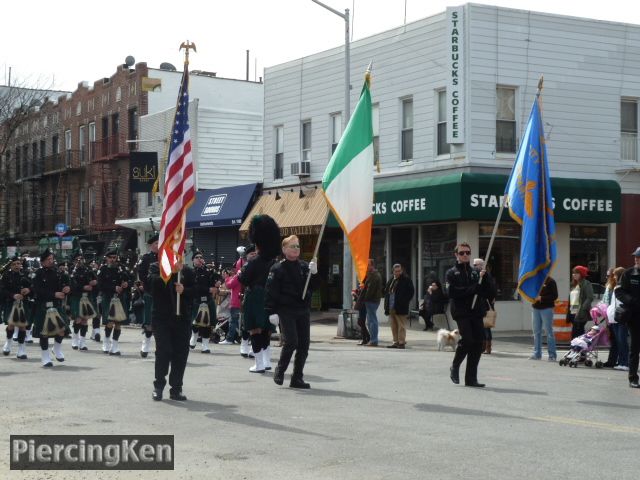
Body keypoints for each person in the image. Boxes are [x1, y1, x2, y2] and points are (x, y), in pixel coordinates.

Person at [266, 234, 319, 388]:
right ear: (284, 249)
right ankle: (280, 370)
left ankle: (297, 377)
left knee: (304, 345)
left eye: (297, 246)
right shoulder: (277, 268)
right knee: (291, 342)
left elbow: (314, 286)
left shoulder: (304, 266)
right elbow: (271, 291)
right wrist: (271, 311)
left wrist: (314, 273)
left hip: (302, 309)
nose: (296, 249)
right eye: (292, 246)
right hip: (286, 309)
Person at [446, 242, 496, 387]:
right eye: (462, 253)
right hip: (461, 311)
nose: (465, 255)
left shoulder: (476, 272)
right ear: (456, 255)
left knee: (478, 343)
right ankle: (455, 366)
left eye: (467, 252)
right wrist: (473, 288)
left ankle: (471, 378)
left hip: (476, 311)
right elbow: (452, 292)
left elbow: (488, 292)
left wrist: (486, 278)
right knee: (467, 339)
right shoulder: (451, 272)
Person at [238, 215, 281, 374]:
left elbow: (243, 278)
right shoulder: (276, 262)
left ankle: (259, 364)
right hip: (272, 297)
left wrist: (241, 271)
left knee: (255, 329)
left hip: (255, 296)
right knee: (267, 330)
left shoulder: (254, 262)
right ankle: (267, 361)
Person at [150, 259, 195, 401]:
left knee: (180, 354)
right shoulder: (156, 267)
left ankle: (176, 389)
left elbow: (196, 290)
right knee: (164, 351)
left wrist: (184, 290)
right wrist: (169, 272)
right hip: (162, 318)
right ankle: (158, 386)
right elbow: (151, 286)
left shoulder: (187, 271)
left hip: (182, 318)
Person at [32, 249, 71, 367]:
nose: (51, 261)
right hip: (43, 306)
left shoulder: (58, 273)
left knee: (62, 330)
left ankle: (57, 349)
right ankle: (45, 357)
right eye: (48, 259)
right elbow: (37, 290)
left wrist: (67, 289)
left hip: (56, 305)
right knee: (44, 333)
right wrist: (53, 294)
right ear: (42, 262)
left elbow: (66, 286)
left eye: (52, 259)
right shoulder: (37, 274)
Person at [615, 247, 640, 388]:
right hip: (634, 316)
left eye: (639, 257)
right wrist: (631, 300)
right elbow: (619, 291)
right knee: (634, 348)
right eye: (635, 256)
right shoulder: (628, 274)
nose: (636, 259)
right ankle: (633, 378)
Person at [97, 249, 129, 355]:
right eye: (110, 257)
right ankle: (106, 342)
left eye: (114, 257)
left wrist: (126, 285)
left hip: (120, 298)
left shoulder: (121, 268)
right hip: (108, 298)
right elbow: (100, 285)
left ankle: (115, 346)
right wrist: (113, 288)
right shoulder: (103, 269)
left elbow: (129, 280)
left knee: (118, 323)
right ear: (106, 258)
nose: (112, 259)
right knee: (110, 322)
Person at [1, 255, 32, 359]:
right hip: (11, 303)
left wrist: (29, 290)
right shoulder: (6, 275)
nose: (16, 266)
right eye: (14, 264)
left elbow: (33, 286)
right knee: (11, 325)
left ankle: (21, 349)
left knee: (22, 326)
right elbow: (2, 290)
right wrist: (13, 295)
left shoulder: (26, 274)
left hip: (24, 303)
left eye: (18, 263)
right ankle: (8, 343)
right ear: (10, 265)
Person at [69, 252, 98, 352]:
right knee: (78, 319)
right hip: (77, 297)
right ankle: (75, 340)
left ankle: (82, 342)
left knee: (85, 320)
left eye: (81, 259)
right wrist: (83, 287)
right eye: (77, 259)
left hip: (87, 297)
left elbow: (95, 279)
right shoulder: (71, 270)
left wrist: (94, 282)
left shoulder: (87, 270)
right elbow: (71, 286)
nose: (79, 261)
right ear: (73, 261)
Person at [137, 234, 158, 358]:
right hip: (150, 293)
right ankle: (145, 347)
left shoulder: (164, 257)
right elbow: (142, 275)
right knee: (149, 322)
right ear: (151, 245)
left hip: (162, 295)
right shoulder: (145, 258)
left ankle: (160, 349)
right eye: (156, 243)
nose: (158, 245)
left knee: (160, 323)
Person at [383, 263, 415, 349]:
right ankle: (395, 342)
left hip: (401, 306)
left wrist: (404, 301)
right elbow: (387, 292)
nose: (398, 273)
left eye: (399, 271)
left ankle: (401, 342)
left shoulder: (406, 279)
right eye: (396, 271)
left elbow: (411, 292)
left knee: (401, 325)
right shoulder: (391, 279)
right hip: (391, 306)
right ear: (393, 271)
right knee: (393, 325)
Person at [191, 250, 216, 354]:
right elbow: (194, 287)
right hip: (196, 300)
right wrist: (208, 289)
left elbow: (215, 281)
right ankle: (194, 337)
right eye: (197, 257)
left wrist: (217, 281)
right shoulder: (191, 272)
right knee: (195, 323)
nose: (199, 259)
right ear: (193, 260)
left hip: (208, 300)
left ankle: (205, 346)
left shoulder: (208, 271)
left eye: (201, 257)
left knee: (207, 323)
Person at [530, 275, 559, 361]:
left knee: (549, 332)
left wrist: (541, 298)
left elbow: (554, 296)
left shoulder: (551, 281)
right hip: (535, 308)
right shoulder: (535, 280)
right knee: (536, 332)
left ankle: (552, 355)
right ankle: (537, 353)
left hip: (547, 308)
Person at [607, 267, 629, 371]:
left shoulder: (624, 287)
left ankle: (625, 362)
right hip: (614, 317)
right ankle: (621, 362)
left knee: (622, 340)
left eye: (615, 275)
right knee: (619, 341)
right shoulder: (616, 287)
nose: (614, 277)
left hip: (622, 317)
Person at [473, 258, 496, 354]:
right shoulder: (479, 275)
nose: (474, 267)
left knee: (486, 326)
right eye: (474, 265)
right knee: (481, 327)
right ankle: (482, 346)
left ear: (481, 265)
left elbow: (491, 290)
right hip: (481, 304)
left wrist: (490, 299)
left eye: (475, 265)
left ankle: (487, 347)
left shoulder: (485, 276)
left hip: (485, 304)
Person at [566, 265, 594, 339]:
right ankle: (578, 348)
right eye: (573, 273)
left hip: (581, 313)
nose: (574, 275)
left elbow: (590, 297)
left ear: (581, 274)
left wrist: (583, 308)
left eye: (576, 273)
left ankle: (577, 348)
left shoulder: (586, 283)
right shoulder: (573, 284)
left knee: (577, 333)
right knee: (577, 332)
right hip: (573, 312)